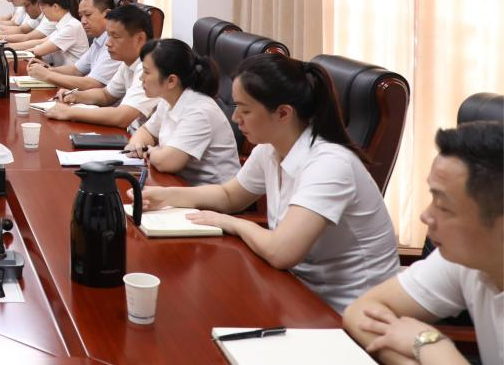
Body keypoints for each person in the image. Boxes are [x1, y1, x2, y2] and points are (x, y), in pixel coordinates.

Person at [136, 53, 398, 312]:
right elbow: (230, 196)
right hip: (292, 290)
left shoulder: (330, 164)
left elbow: (281, 252)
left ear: (283, 113)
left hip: (347, 313)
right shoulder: (270, 149)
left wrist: (233, 223)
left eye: (245, 109)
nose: (235, 118)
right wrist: (166, 196)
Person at [344, 121, 502, 365]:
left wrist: (430, 344)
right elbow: (360, 311)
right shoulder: (465, 259)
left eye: (443, 206)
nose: (425, 215)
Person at [123, 39, 240, 185]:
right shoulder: (169, 99)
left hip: (211, 194)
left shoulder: (199, 111)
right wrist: (136, 145)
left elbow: (168, 162)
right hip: (178, 184)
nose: (141, 78)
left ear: (171, 81)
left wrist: (148, 151)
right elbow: (146, 131)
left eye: (146, 72)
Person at [45, 4, 156, 130]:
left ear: (140, 39)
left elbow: (122, 117)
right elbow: (106, 95)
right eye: (108, 36)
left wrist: (69, 112)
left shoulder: (150, 68)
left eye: (115, 36)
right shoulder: (127, 63)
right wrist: (76, 96)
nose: (108, 43)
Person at [29, 0, 121, 92]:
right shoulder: (98, 40)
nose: (83, 21)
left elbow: (93, 83)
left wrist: (48, 75)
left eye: (88, 15)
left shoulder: (114, 44)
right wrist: (49, 70)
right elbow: (76, 70)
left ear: (107, 14)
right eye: (81, 16)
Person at [5, 0, 88, 67]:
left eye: (43, 7)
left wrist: (11, 52)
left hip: (69, 74)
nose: (42, 11)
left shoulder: (71, 27)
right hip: (60, 71)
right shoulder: (63, 24)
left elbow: (39, 50)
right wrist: (10, 47)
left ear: (55, 7)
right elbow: (42, 42)